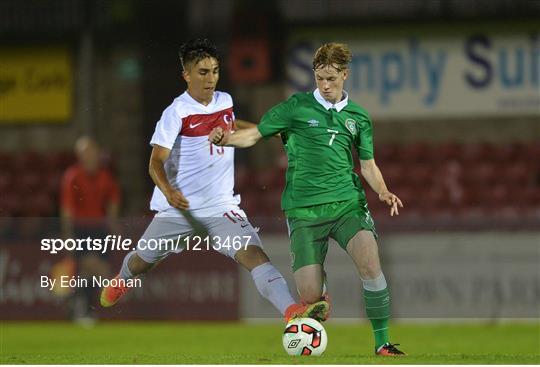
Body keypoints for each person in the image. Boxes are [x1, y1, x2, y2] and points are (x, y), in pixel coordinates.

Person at [99, 38, 328, 322]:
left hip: (221, 208)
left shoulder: (225, 101)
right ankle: (123, 278)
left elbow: (234, 125)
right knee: (142, 262)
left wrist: (264, 130)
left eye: (215, 71)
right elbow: (155, 162)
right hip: (179, 209)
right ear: (186, 75)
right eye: (203, 72)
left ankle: (293, 312)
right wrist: (168, 191)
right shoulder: (176, 113)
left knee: (255, 255)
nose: (211, 79)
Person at [209, 42, 405, 356]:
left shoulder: (358, 117)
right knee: (310, 296)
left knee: (370, 265)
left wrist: (382, 190)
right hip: (303, 211)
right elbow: (254, 134)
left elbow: (367, 164)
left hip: (347, 205)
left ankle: (382, 342)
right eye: (319, 78)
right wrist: (226, 138)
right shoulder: (295, 107)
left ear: (345, 74)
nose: (325, 85)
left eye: (332, 78)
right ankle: (320, 292)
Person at [60, 136, 121, 324]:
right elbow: (67, 209)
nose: (90, 155)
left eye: (92, 151)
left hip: (99, 230)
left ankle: (80, 307)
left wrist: (113, 226)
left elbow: (112, 202)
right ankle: (83, 309)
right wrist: (68, 235)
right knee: (90, 268)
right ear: (79, 155)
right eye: (85, 152)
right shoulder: (73, 176)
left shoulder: (105, 177)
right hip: (81, 229)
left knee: (99, 272)